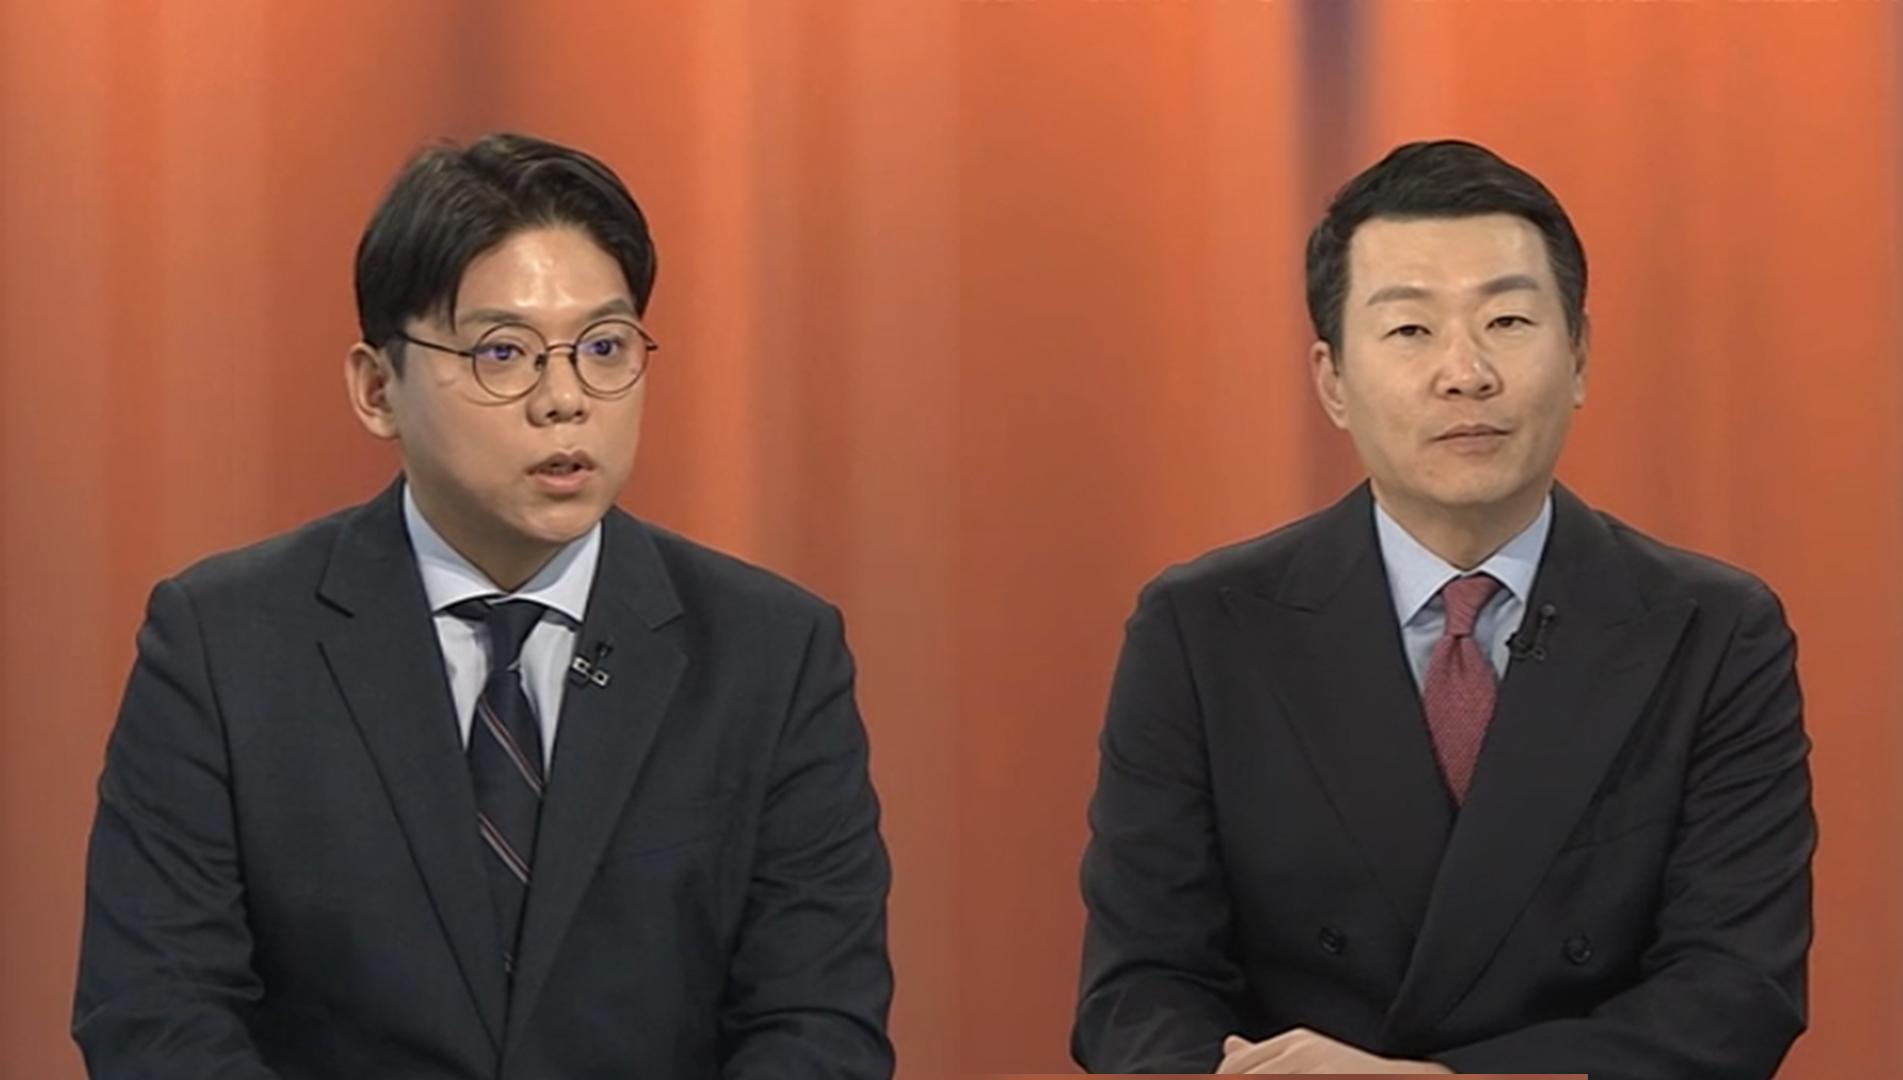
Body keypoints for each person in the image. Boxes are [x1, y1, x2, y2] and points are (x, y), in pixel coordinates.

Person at [74, 133, 893, 1079]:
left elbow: (818, 1025)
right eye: (504, 353)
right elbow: (155, 1013)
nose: (565, 400)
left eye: (604, 348)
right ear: (377, 388)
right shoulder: (222, 647)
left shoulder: (771, 654)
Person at [1073, 140, 1813, 1078]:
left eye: (1507, 320)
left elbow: (1732, 996)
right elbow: (1140, 990)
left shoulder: (1713, 631)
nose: (1465, 372)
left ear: (1579, 357)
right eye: (1411, 330)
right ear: (1333, 382)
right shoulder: (1201, 628)